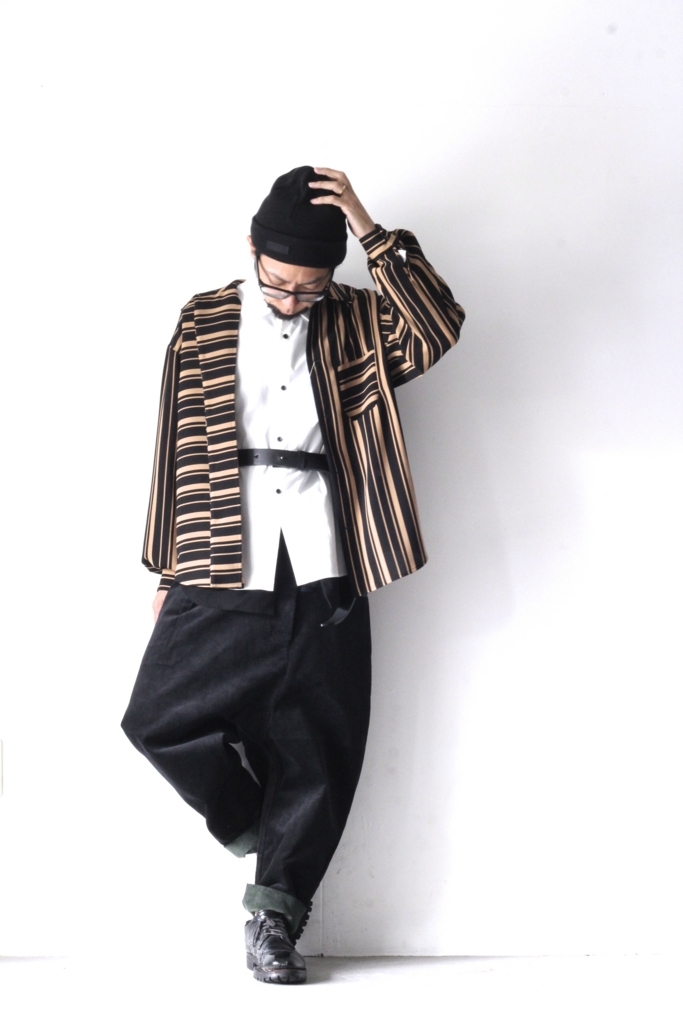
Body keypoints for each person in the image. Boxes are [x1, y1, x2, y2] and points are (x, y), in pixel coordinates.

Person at [121, 166, 465, 984]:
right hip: (219, 548)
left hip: (327, 555)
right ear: (251, 249)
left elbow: (435, 329)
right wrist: (168, 564)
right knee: (156, 719)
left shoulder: (355, 320)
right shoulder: (204, 318)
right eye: (279, 283)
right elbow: (175, 441)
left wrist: (369, 229)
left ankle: (275, 919)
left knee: (318, 744)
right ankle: (257, 824)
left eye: (309, 288)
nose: (290, 300)